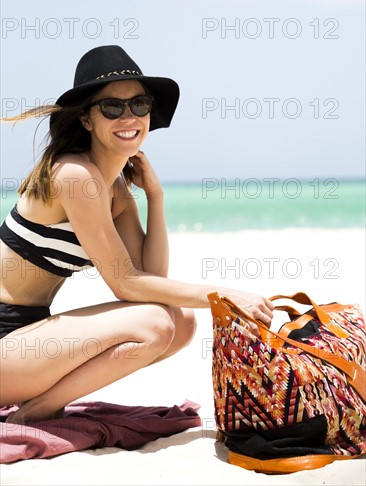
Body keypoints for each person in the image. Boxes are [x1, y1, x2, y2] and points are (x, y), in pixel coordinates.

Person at [0, 45, 274, 424]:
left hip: (28, 335)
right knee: (157, 323)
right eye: (111, 107)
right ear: (86, 120)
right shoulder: (74, 175)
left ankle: (41, 403)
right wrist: (222, 295)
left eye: (139, 105)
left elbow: (151, 280)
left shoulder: (117, 191)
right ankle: (38, 410)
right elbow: (126, 284)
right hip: (5, 335)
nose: (128, 116)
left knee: (180, 322)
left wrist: (155, 197)